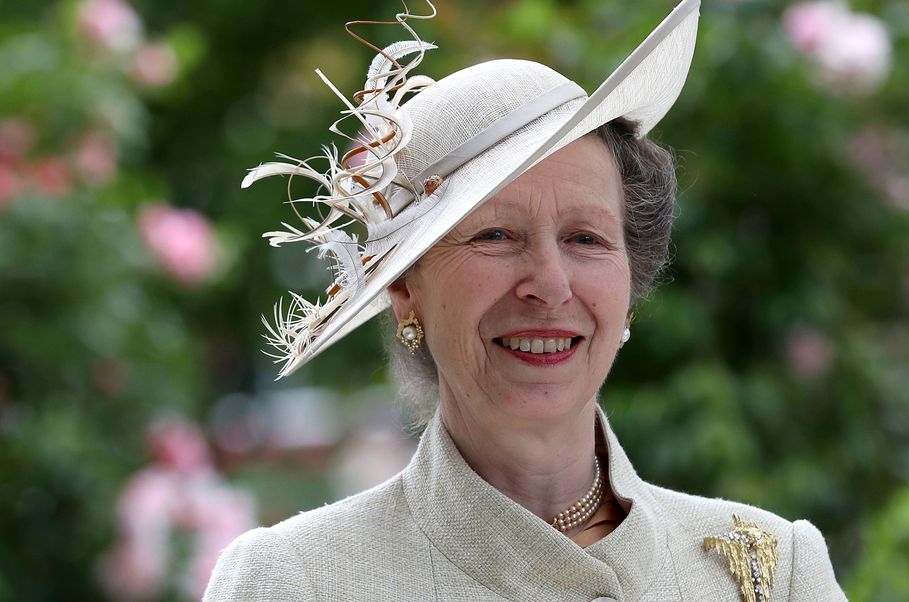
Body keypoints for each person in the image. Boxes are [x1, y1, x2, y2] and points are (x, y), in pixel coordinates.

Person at [205, 1, 847, 600]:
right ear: (406, 292)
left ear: (629, 286)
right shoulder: (294, 582)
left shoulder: (768, 574)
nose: (549, 282)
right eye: (496, 235)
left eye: (585, 238)